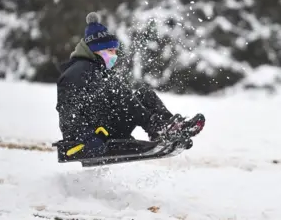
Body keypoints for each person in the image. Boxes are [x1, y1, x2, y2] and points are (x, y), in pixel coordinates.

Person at [56, 12, 202, 155]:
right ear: (96, 50)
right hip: (91, 136)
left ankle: (168, 127)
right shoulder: (77, 72)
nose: (114, 55)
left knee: (143, 93)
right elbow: (68, 112)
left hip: (104, 128)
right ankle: (158, 128)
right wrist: (86, 138)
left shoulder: (99, 70)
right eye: (110, 50)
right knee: (117, 90)